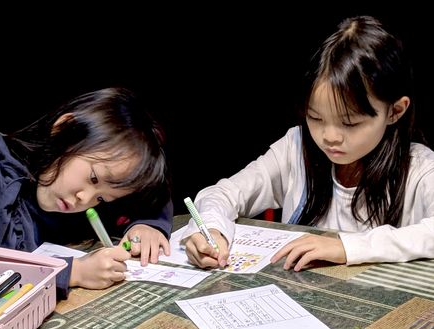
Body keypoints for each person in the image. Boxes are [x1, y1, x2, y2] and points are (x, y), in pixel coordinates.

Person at [182, 15, 434, 271]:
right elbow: (223, 193)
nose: (330, 136)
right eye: (315, 118)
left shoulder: (421, 169)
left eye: (349, 123)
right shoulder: (296, 149)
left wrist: (346, 246)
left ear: (395, 111)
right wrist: (212, 229)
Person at [0, 87, 173, 299]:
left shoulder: (73, 193)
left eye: (102, 198)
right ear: (65, 130)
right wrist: (72, 273)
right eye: (92, 178)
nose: (85, 199)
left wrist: (148, 226)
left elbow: (153, 197)